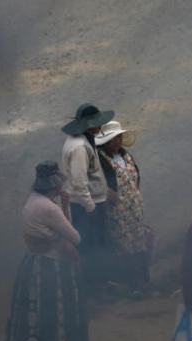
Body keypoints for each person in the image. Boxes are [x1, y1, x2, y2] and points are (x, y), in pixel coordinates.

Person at [5, 161, 88, 341]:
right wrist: (64, 208)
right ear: (54, 185)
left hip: (34, 263)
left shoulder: (33, 201)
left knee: (47, 315)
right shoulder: (49, 208)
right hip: (51, 268)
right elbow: (75, 237)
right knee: (50, 317)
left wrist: (64, 205)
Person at [61, 103, 114, 297]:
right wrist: (91, 207)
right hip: (85, 206)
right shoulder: (79, 148)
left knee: (95, 246)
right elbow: (79, 181)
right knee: (92, 248)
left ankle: (96, 286)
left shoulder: (82, 140)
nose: (99, 128)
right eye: (95, 124)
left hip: (87, 203)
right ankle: (93, 290)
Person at [95, 121, 150, 295]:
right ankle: (131, 284)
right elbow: (98, 183)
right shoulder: (101, 159)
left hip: (134, 208)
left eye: (118, 138)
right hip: (117, 211)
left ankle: (142, 280)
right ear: (106, 142)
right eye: (113, 139)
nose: (117, 142)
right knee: (123, 245)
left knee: (139, 242)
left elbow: (135, 179)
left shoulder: (126, 156)